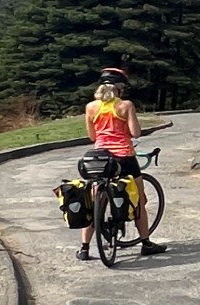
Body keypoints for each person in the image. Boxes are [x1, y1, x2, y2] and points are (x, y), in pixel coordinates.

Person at [76, 67, 167, 260]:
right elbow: (135, 133)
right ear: (119, 88)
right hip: (124, 157)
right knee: (139, 201)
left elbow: (92, 136)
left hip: (99, 158)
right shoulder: (126, 105)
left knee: (95, 203)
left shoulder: (91, 107)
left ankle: (84, 248)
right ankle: (146, 243)